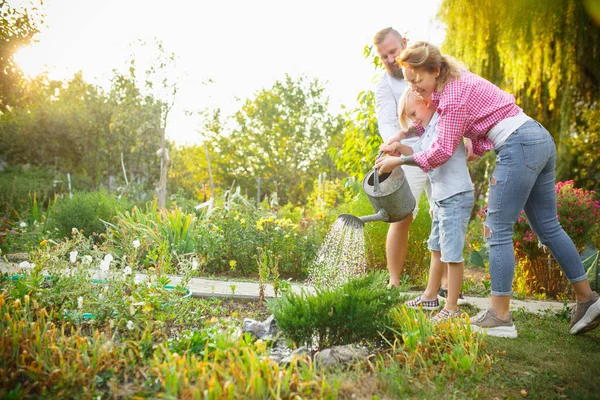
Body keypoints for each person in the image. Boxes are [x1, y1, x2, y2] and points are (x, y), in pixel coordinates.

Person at [377, 41, 600, 338]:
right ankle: (588, 299)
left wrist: (400, 160)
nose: (415, 90)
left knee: (496, 228)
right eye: (410, 83)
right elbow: (476, 124)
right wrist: (471, 146)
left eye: (417, 81)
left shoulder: (453, 95)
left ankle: (501, 316)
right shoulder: (454, 84)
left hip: (518, 144)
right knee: (547, 226)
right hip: (536, 137)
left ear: (435, 70)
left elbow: (442, 150)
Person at [379, 88, 474, 322]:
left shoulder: (445, 122)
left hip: (455, 195)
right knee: (437, 248)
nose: (413, 120)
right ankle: (430, 297)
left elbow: (432, 156)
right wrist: (400, 149)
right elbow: (419, 152)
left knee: (451, 254)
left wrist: (398, 159)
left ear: (428, 101)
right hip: (442, 198)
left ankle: (451, 307)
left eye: (413, 112)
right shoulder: (429, 128)